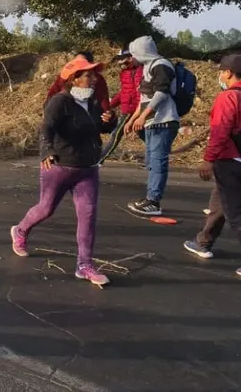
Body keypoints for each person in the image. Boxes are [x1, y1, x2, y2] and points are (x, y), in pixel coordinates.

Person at [10, 55, 117, 286]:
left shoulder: (94, 102)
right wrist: (46, 151)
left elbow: (102, 127)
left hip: (87, 169)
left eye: (94, 74)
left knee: (87, 216)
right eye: (88, 74)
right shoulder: (59, 102)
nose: (94, 79)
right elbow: (46, 129)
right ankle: (20, 231)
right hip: (59, 167)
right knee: (46, 209)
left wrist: (110, 120)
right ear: (74, 79)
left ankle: (85, 265)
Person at [183, 54, 241, 277]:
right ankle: (203, 241)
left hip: (230, 160)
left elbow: (220, 131)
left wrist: (209, 159)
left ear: (227, 73)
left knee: (235, 212)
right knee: (220, 201)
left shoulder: (228, 98)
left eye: (221, 71)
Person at [124, 36, 180, 216]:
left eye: (134, 53)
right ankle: (150, 198)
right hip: (151, 122)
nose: (132, 57)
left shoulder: (162, 65)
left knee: (157, 161)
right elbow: (144, 99)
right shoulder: (148, 67)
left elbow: (161, 94)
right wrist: (133, 119)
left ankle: (154, 201)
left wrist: (144, 116)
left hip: (163, 121)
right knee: (150, 161)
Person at [99, 49, 144, 164]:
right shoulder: (125, 73)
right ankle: (154, 158)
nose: (120, 63)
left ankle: (100, 160)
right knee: (144, 135)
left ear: (130, 58)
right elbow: (123, 93)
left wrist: (138, 114)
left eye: (122, 59)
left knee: (116, 134)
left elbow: (140, 94)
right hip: (127, 108)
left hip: (132, 110)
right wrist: (109, 106)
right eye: (118, 60)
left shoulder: (139, 71)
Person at [45, 51, 111, 111]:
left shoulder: (97, 78)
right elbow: (53, 91)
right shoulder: (66, 75)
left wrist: (107, 115)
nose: (94, 79)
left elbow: (103, 99)